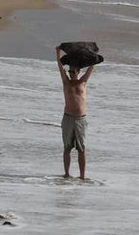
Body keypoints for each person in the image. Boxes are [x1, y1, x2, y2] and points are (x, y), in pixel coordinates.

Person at [56, 47, 94, 179]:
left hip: (80, 119)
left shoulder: (83, 82)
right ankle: (67, 174)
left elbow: (91, 68)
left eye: (73, 71)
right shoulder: (66, 82)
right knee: (67, 147)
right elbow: (60, 67)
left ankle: (82, 176)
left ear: (78, 71)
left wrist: (94, 55)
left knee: (81, 148)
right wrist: (58, 53)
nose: (71, 73)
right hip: (68, 118)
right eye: (69, 71)